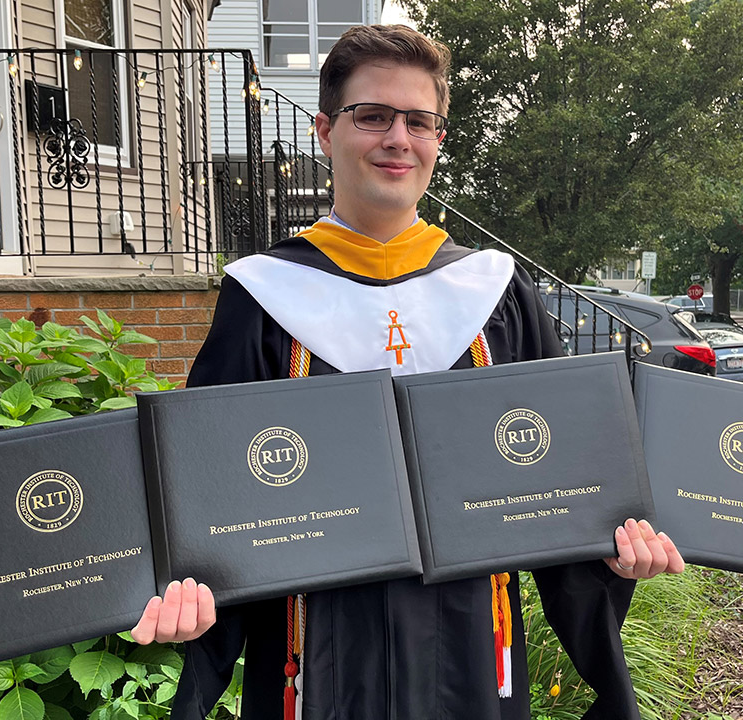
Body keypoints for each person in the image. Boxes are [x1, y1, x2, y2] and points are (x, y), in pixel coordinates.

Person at [131, 24, 685, 719]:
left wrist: (607, 551)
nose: (398, 138)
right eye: (373, 116)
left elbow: (552, 473)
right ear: (324, 131)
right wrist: (190, 590)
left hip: (473, 654)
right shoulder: (264, 295)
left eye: (418, 121)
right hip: (316, 655)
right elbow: (212, 490)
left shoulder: (497, 293)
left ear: (438, 140)